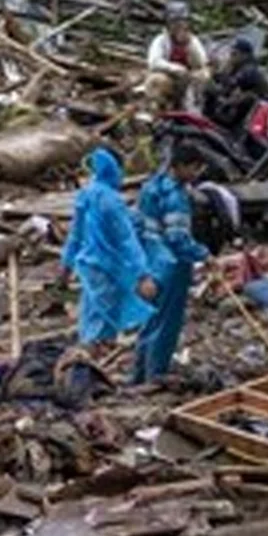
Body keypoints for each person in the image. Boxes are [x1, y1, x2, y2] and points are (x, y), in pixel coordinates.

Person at [61, 150, 156, 390]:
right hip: (109, 266)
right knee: (105, 318)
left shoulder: (86, 195)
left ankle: (89, 366)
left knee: (92, 313)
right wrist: (142, 273)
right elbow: (126, 240)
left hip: (88, 265)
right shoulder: (111, 200)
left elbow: (76, 233)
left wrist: (66, 264)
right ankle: (91, 368)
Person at [133, 147, 211, 384]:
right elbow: (178, 239)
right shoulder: (176, 197)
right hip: (171, 266)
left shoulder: (151, 186)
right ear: (182, 167)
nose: (197, 174)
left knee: (150, 320)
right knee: (166, 324)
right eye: (195, 168)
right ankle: (155, 375)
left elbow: (138, 225)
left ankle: (138, 375)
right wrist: (205, 255)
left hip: (150, 262)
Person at [142, 1, 209, 112]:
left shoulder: (193, 41)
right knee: (156, 80)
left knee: (204, 77)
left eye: (182, 22)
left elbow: (202, 62)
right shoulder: (161, 40)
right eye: (175, 22)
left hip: (187, 78)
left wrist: (189, 45)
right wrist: (174, 68)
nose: (179, 26)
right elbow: (154, 62)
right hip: (168, 78)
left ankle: (196, 108)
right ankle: (157, 111)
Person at [203, 35, 268, 139]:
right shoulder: (239, 67)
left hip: (256, 115)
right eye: (231, 53)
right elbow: (225, 82)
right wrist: (217, 73)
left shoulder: (249, 70)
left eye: (234, 54)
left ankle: (227, 128)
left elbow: (228, 86)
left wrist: (214, 84)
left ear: (244, 55)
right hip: (246, 110)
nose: (231, 57)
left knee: (241, 98)